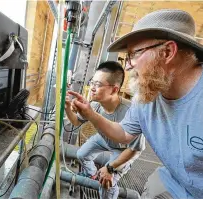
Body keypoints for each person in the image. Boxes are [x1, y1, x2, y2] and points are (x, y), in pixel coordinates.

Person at [68, 9, 203, 199]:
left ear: (167, 52)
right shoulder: (148, 95)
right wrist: (90, 113)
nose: (128, 65)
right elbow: (124, 134)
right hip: (172, 182)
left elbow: (134, 147)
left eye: (134, 54)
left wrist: (110, 168)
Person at [65, 61, 145, 199]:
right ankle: (93, 174)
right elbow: (76, 121)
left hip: (124, 150)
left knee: (106, 183)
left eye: (98, 84)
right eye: (92, 83)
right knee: (81, 154)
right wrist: (66, 105)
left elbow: (134, 150)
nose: (92, 88)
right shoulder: (95, 104)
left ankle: (107, 187)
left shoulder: (131, 113)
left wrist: (109, 169)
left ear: (114, 89)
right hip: (104, 139)